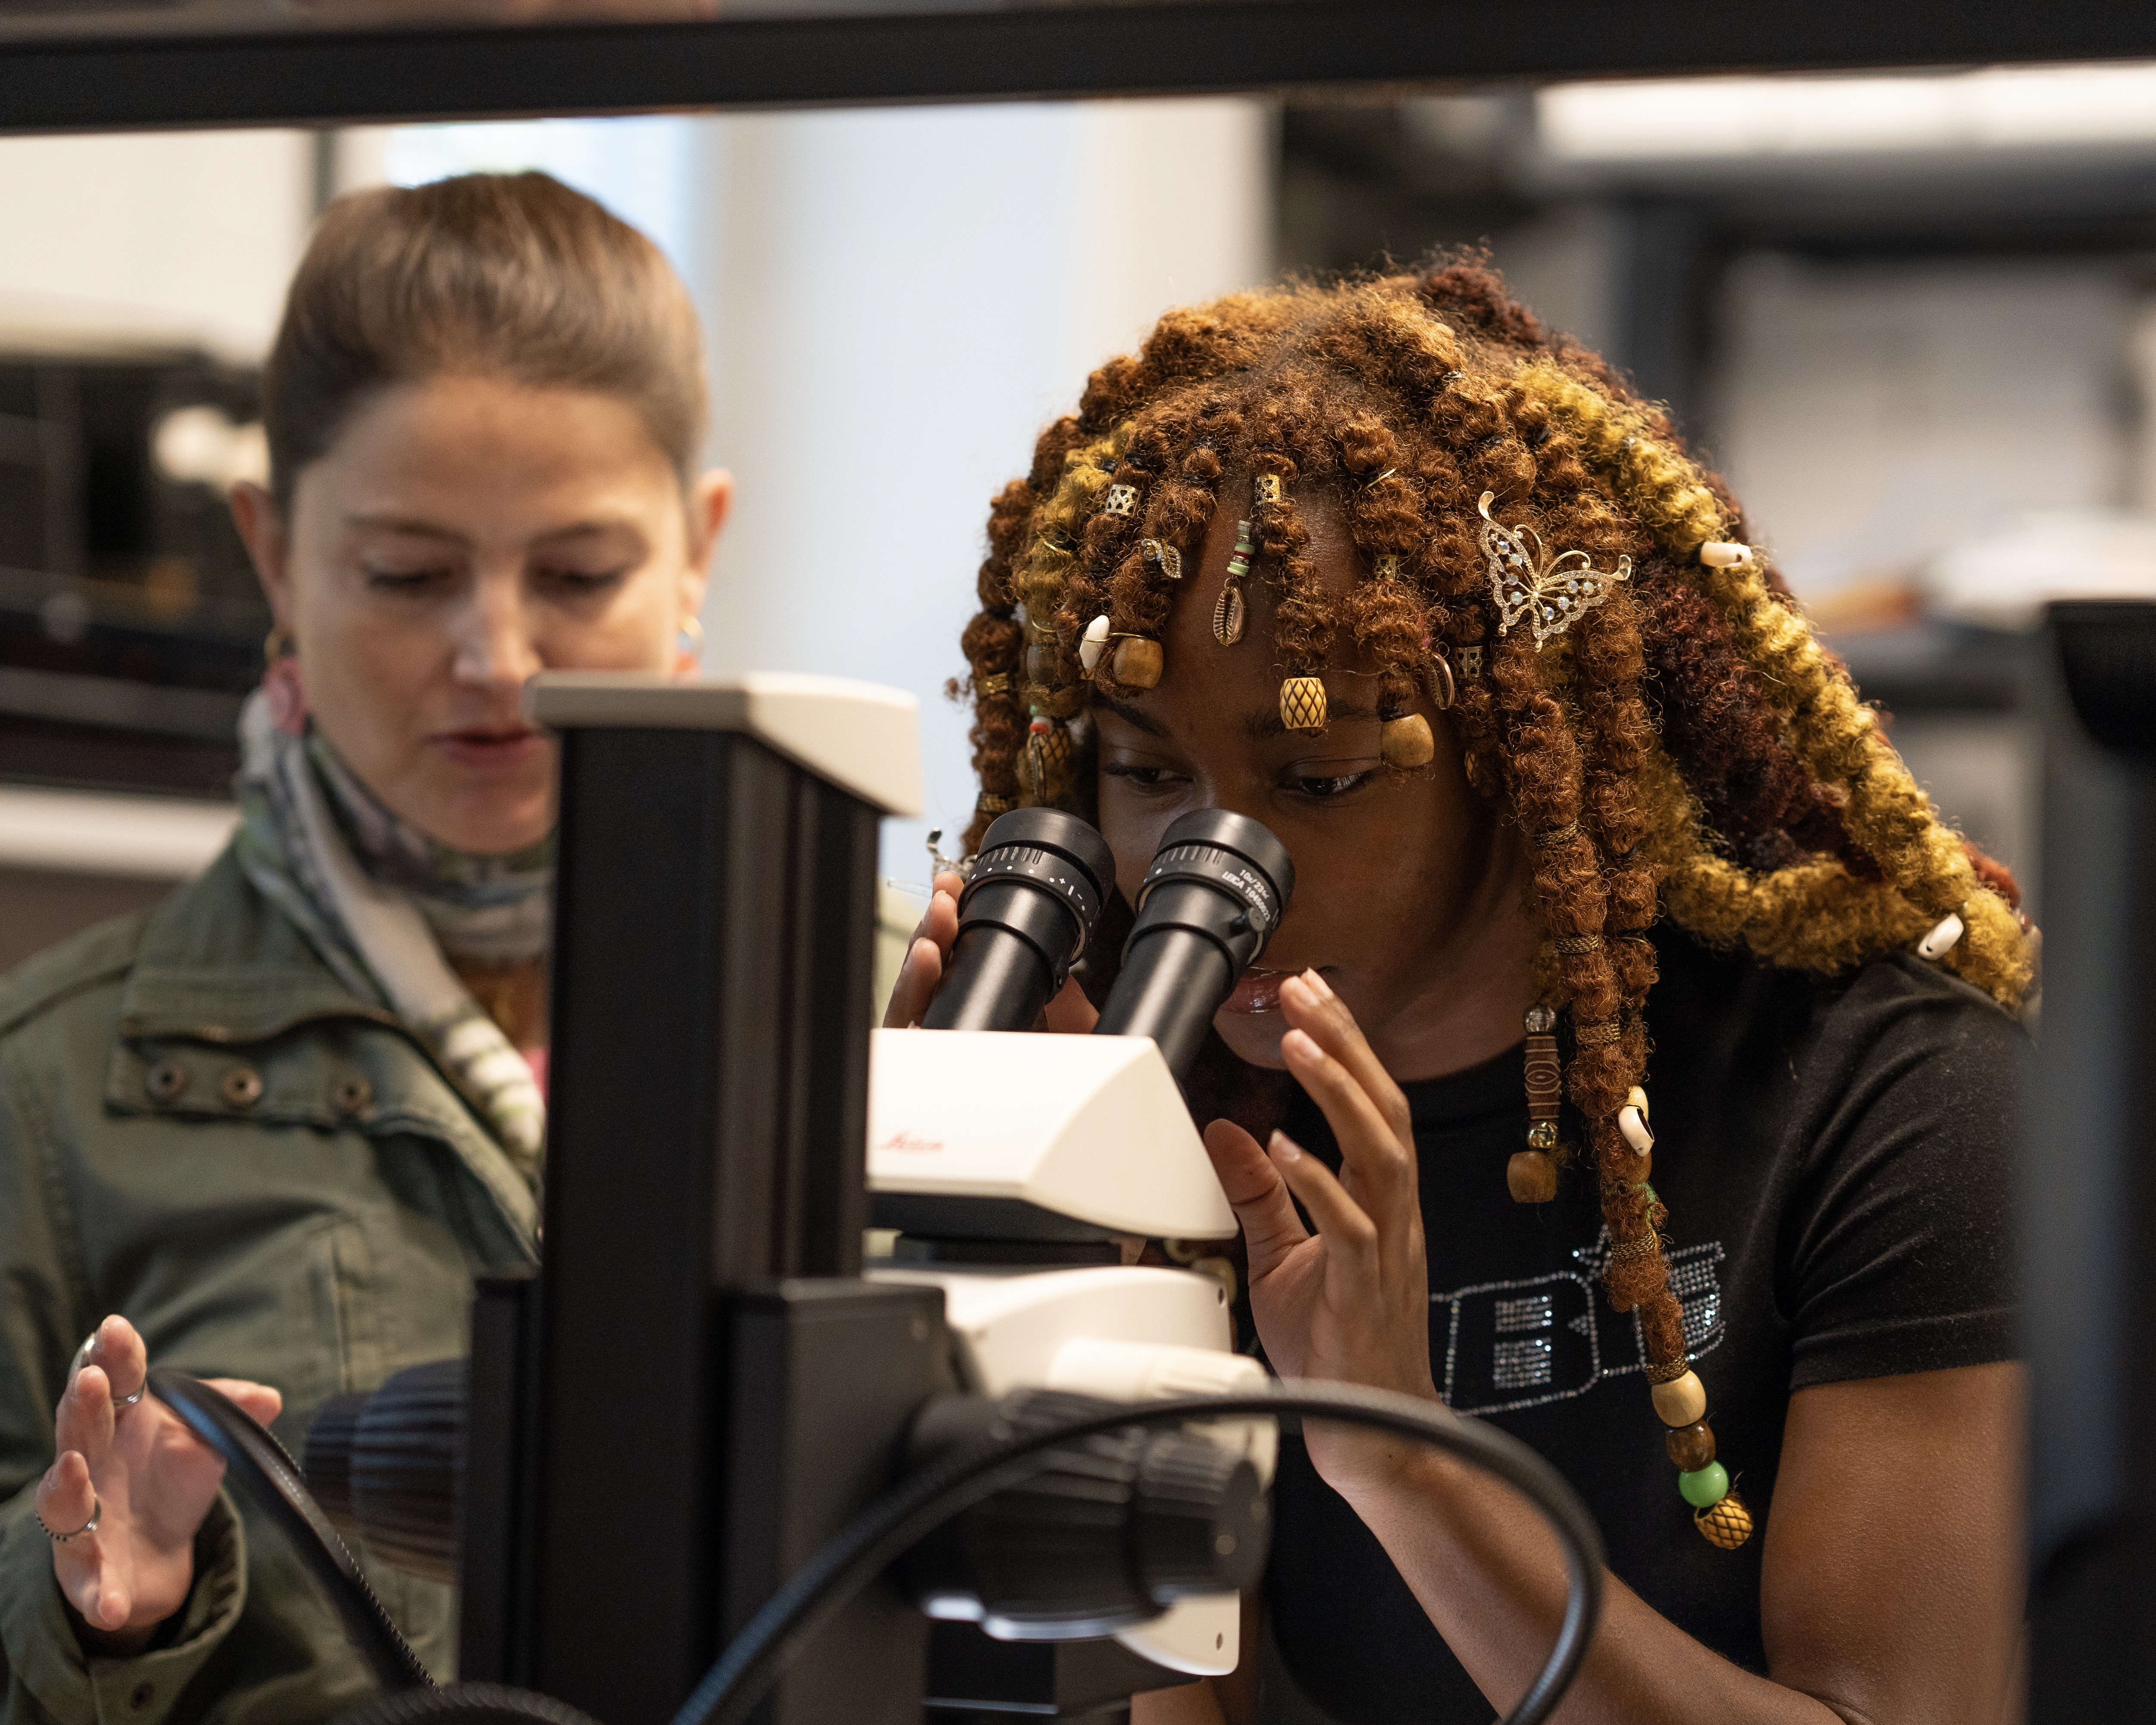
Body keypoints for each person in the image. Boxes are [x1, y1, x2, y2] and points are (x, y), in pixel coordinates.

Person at [887, 266, 2034, 1725]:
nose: (1208, 861)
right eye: (1146, 772)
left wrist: (1408, 1463)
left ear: (1520, 752)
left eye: (1319, 779)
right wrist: (1045, 1290)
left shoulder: (1895, 1099)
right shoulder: (1183, 1111)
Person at [0, 171, 728, 1723]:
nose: (498, 657)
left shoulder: (904, 1007)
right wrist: (95, 1617)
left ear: (698, 551)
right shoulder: (50, 1094)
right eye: (408, 575)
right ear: (270, 553)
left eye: (579, 575)